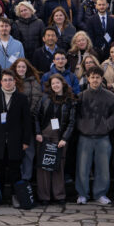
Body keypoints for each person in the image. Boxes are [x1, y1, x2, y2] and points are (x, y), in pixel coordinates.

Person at [75, 67, 114, 204]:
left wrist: (106, 125)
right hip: (85, 137)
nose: (95, 80)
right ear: (88, 79)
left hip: (103, 137)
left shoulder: (110, 96)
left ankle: (100, 194)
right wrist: (82, 126)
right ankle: (82, 194)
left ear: (102, 79)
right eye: (92, 77)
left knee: (103, 168)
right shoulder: (81, 96)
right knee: (82, 167)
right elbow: (75, 115)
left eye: (97, 77)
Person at [0, 70, 33, 197]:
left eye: (10, 80)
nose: (7, 82)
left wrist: (26, 141)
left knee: (15, 172)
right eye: (5, 80)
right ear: (1, 82)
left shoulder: (22, 98)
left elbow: (27, 121)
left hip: (16, 141)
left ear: (14, 81)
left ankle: (15, 197)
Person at [36, 73, 75, 204]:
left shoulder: (70, 100)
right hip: (44, 135)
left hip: (60, 137)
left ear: (62, 84)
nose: (55, 85)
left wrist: (65, 138)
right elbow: (36, 116)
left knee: (59, 165)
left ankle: (59, 195)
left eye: (57, 83)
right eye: (53, 83)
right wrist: (38, 133)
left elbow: (72, 122)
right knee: (44, 166)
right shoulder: (44, 98)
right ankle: (44, 196)